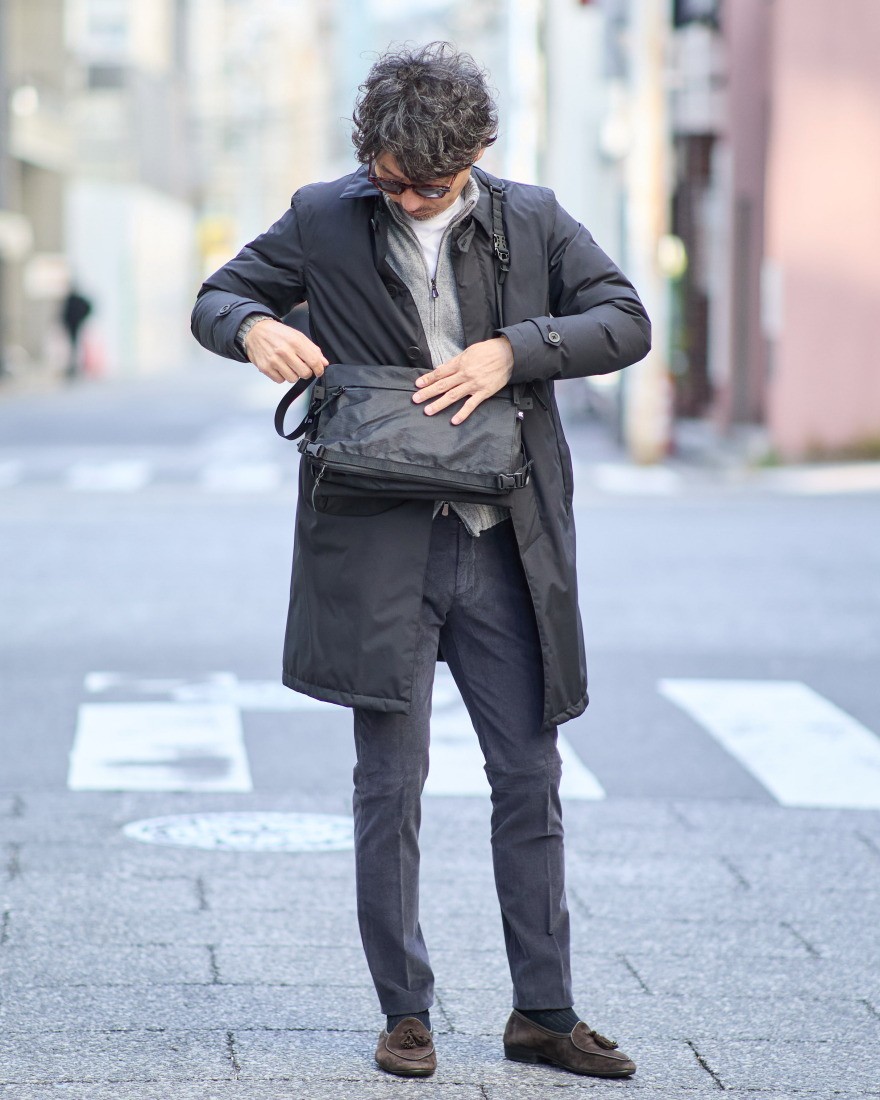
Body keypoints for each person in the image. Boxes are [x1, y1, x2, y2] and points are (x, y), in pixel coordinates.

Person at [192, 42, 650, 1080]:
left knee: (528, 778)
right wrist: (253, 325)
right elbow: (217, 296)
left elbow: (625, 319)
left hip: (504, 544)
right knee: (388, 786)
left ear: (475, 153)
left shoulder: (532, 219)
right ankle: (405, 1012)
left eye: (425, 185)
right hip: (379, 545)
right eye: (389, 178)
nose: (403, 198)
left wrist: (513, 350)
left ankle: (543, 1012)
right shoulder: (324, 214)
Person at [59, 286, 93, 380]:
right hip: (73, 325)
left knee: (75, 346)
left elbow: (64, 313)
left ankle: (75, 366)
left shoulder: (72, 300)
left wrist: (81, 318)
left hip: (74, 325)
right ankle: (74, 366)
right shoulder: (72, 300)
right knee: (73, 346)